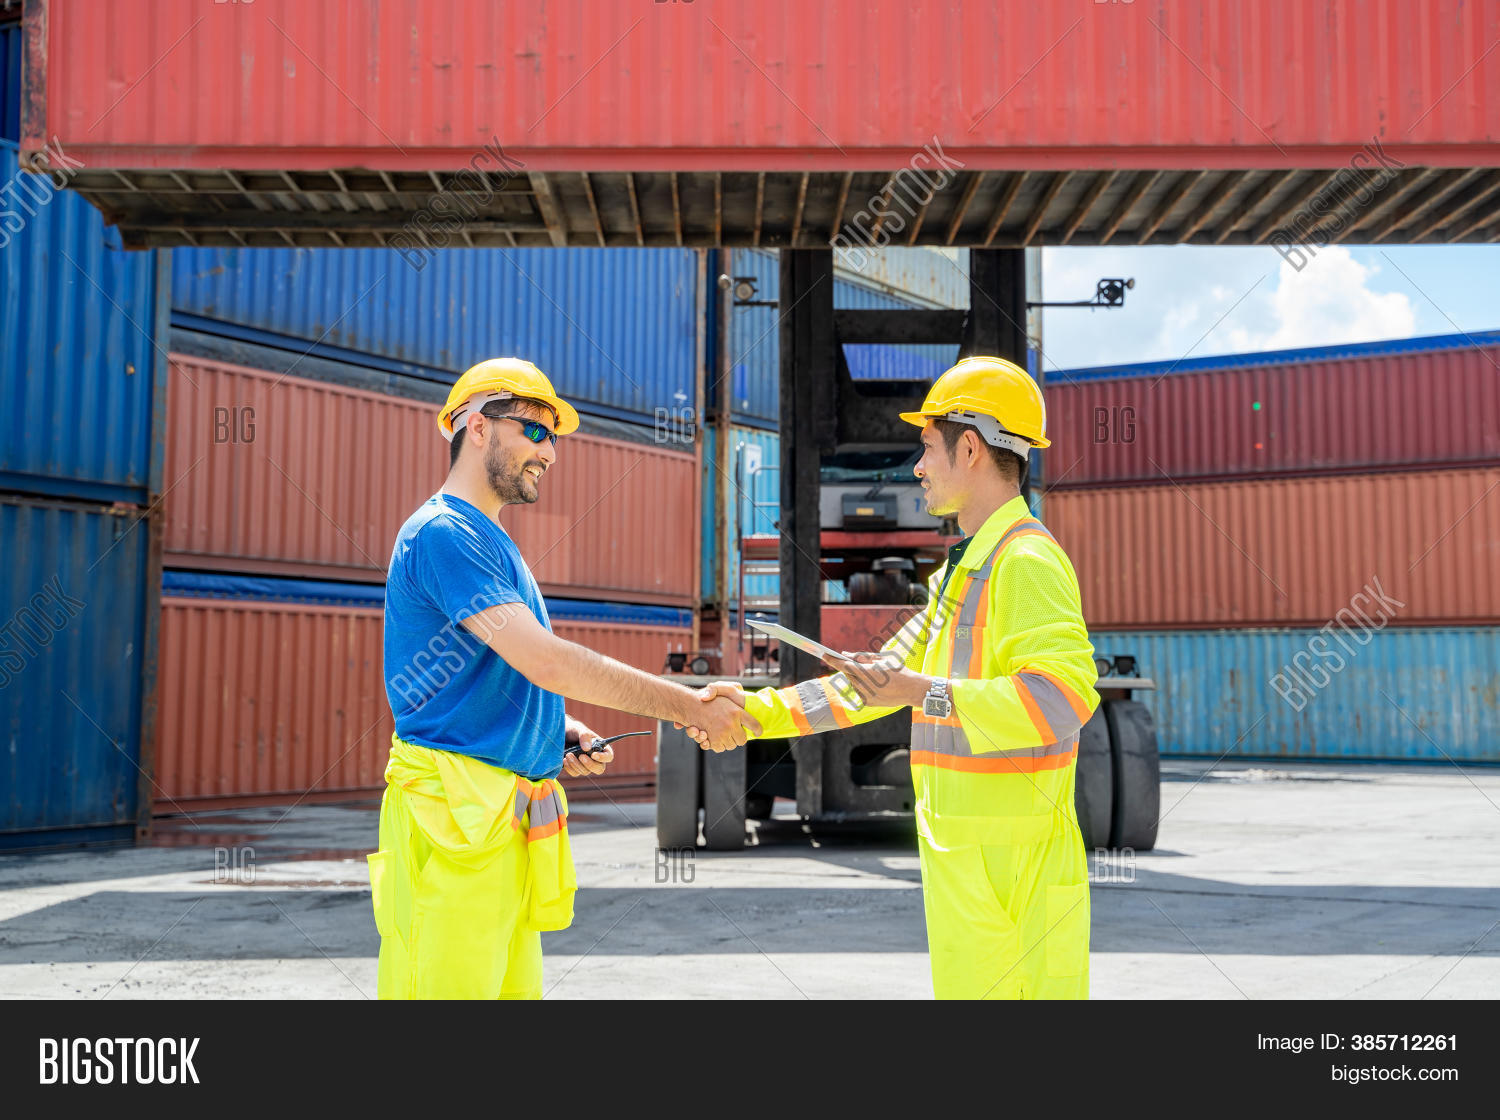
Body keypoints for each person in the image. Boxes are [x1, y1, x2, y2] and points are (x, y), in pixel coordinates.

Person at [699, 357, 1100, 999]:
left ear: (969, 447)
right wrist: (755, 712)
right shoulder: (958, 576)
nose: (917, 466)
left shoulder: (1025, 561)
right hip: (969, 870)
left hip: (1014, 876)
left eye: (926, 447)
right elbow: (871, 685)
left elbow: (1063, 700)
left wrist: (923, 692)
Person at [370, 357, 759, 1000]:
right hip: (455, 819)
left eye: (557, 438)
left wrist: (555, 729)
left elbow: (500, 671)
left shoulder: (493, 542)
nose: (551, 452)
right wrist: (687, 706)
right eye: (536, 431)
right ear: (476, 425)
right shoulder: (444, 533)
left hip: (502, 818)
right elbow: (547, 659)